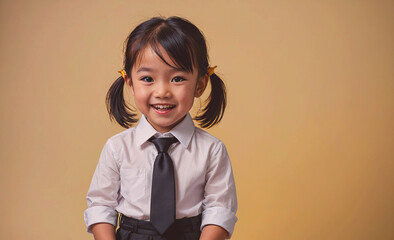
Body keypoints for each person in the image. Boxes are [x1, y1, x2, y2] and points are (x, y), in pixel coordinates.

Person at [84, 16, 237, 240]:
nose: (162, 91)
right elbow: (100, 206)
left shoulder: (212, 150)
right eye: (147, 78)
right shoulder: (117, 148)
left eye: (177, 78)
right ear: (129, 83)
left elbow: (220, 210)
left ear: (200, 84)